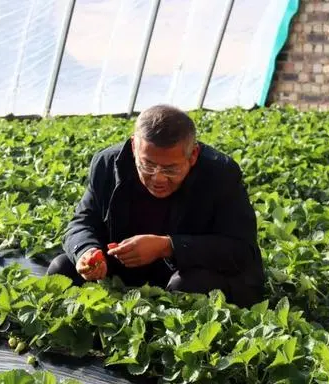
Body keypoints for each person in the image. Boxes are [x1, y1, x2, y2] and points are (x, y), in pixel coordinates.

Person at [46, 104, 265, 308]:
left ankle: (169, 344)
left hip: (193, 271)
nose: (157, 178)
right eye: (147, 165)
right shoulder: (107, 164)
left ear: (193, 155)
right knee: (62, 268)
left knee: (186, 287)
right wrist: (87, 251)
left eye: (170, 169)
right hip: (131, 271)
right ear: (134, 147)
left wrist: (168, 246)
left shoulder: (220, 174)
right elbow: (82, 221)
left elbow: (241, 250)